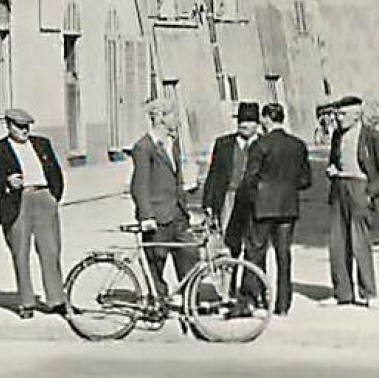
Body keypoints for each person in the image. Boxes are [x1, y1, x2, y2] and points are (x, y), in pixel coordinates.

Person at [0, 108, 65, 319]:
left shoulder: (41, 143)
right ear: (8, 126)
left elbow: (55, 170)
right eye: (19, 127)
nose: (24, 131)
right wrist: (6, 183)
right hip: (17, 201)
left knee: (51, 251)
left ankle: (57, 300)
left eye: (27, 126)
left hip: (44, 198)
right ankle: (26, 302)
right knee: (21, 252)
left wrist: (54, 196)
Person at [242, 102, 312, 315]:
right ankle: (283, 304)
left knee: (255, 253)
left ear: (266, 119)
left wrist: (255, 198)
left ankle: (254, 298)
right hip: (287, 207)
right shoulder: (298, 145)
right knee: (284, 255)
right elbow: (305, 180)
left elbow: (249, 179)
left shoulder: (260, 145)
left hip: (262, 208)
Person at [322, 94, 379, 308]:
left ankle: (368, 292)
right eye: (337, 114)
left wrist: (370, 194)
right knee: (337, 243)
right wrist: (332, 170)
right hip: (339, 187)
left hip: (360, 188)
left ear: (357, 115)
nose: (338, 118)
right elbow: (334, 159)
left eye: (343, 114)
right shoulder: (337, 136)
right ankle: (342, 293)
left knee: (360, 242)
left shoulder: (372, 136)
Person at [129, 99, 197, 294]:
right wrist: (146, 216)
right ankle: (158, 301)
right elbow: (139, 185)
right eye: (173, 115)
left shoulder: (172, 143)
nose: (177, 120)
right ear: (160, 118)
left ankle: (190, 300)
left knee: (189, 254)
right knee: (156, 262)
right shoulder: (144, 146)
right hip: (158, 215)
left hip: (178, 213)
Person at [202, 101, 262, 260]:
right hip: (229, 197)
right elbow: (213, 174)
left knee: (254, 244)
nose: (244, 125)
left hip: (255, 200)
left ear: (257, 124)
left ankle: (252, 283)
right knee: (228, 244)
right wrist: (208, 203)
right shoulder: (223, 144)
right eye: (241, 121)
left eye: (249, 121)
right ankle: (228, 282)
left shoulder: (264, 144)